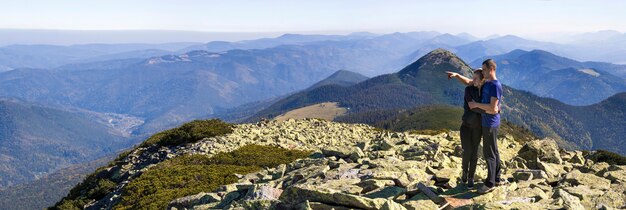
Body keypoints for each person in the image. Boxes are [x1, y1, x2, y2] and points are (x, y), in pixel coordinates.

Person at [446, 69, 492, 189]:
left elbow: (480, 106)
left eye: (476, 78)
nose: (473, 80)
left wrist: (484, 107)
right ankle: (464, 172)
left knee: (474, 153)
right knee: (467, 151)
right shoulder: (469, 90)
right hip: (466, 126)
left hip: (478, 128)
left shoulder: (485, 90)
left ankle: (471, 177)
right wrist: (488, 109)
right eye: (473, 78)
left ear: (482, 80)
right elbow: (472, 107)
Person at [468, 59, 508, 194]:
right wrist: (457, 76)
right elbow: (471, 82)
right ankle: (496, 178)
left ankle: (490, 183)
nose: (482, 72)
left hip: (490, 123)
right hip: (489, 122)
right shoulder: (488, 83)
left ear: (491, 69)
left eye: (484, 70)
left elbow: (493, 108)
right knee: (494, 151)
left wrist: (476, 105)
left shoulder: (495, 85)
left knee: (489, 153)